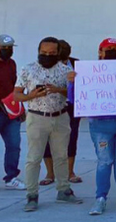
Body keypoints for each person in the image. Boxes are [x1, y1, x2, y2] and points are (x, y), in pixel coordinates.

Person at [66, 38, 116, 215]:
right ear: (100, 52)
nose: (113, 51)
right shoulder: (87, 72)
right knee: (104, 161)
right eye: (109, 48)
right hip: (100, 125)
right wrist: (71, 82)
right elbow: (73, 98)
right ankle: (100, 198)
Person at [14, 36, 82, 212]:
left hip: (60, 116)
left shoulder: (65, 70)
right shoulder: (27, 69)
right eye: (44, 53)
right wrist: (32, 95)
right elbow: (17, 95)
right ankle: (32, 195)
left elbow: (75, 94)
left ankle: (64, 190)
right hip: (37, 118)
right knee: (34, 158)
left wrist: (59, 89)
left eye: (51, 53)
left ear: (58, 53)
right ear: (38, 51)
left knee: (61, 156)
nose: (47, 56)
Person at [0, 34, 26, 193]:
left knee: (14, 145)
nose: (8, 51)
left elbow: (15, 86)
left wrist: (20, 107)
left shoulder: (11, 64)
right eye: (4, 48)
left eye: (10, 48)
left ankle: (11, 177)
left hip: (10, 111)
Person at [42, 40, 81, 186]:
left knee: (72, 138)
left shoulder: (77, 63)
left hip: (72, 107)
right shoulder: (47, 65)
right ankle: (50, 173)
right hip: (52, 106)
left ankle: (70, 172)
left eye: (65, 59)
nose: (64, 62)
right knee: (48, 139)